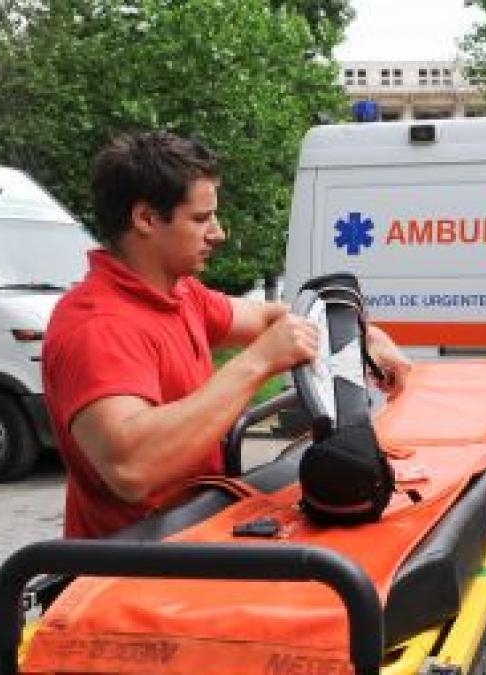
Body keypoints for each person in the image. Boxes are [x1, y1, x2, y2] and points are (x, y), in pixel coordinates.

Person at [42, 131, 411, 539]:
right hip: (135, 569)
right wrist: (258, 362)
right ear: (146, 219)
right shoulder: (98, 326)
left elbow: (278, 318)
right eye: (201, 219)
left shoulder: (178, 293)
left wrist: (362, 335)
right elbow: (132, 468)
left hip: (196, 532)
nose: (218, 233)